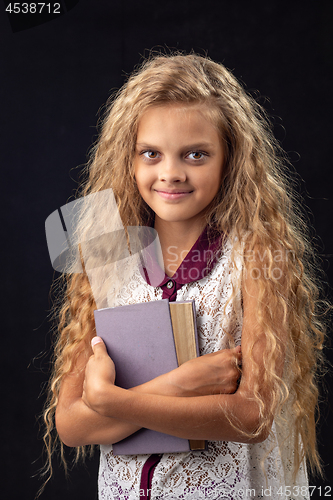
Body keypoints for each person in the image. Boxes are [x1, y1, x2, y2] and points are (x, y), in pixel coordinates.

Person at [42, 53, 327, 500]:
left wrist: (111, 401)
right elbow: (73, 426)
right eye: (151, 154)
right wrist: (180, 385)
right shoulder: (106, 247)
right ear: (129, 158)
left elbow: (252, 417)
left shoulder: (257, 255)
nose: (171, 173)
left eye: (196, 154)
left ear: (230, 158)